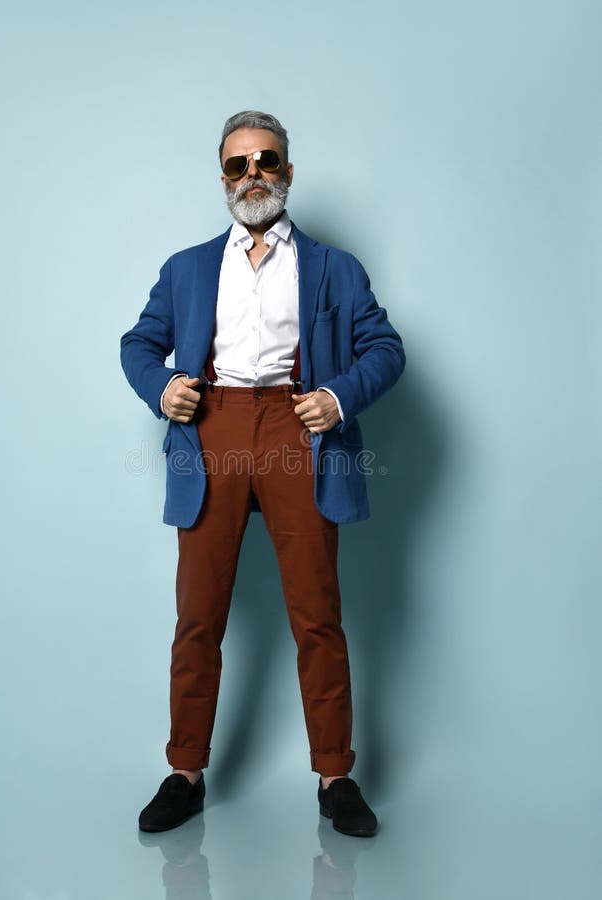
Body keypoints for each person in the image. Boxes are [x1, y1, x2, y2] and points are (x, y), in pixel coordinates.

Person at [120, 111, 405, 837]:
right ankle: (185, 770)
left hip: (295, 428)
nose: (253, 175)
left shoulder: (333, 267)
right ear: (223, 179)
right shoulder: (187, 267)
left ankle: (335, 775)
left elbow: (385, 348)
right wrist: (161, 387)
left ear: (286, 170)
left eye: (266, 160)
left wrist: (337, 397)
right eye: (238, 165)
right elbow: (139, 344)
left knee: (316, 613)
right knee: (199, 616)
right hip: (210, 426)